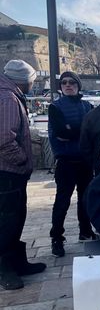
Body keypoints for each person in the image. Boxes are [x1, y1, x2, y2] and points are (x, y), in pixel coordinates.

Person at [0, 60, 46, 290]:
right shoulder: (8, 98)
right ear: (24, 80)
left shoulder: (8, 93)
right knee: (7, 221)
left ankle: (18, 262)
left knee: (16, 218)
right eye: (32, 80)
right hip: (7, 173)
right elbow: (4, 139)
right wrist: (22, 160)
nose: (33, 84)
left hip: (10, 173)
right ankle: (6, 269)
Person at [48, 71, 96, 258]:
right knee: (62, 201)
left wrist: (73, 130)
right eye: (64, 82)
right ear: (61, 86)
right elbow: (61, 133)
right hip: (66, 162)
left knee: (85, 200)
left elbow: (91, 131)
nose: (68, 85)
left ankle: (85, 231)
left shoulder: (88, 106)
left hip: (84, 161)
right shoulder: (55, 107)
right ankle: (57, 238)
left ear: (78, 85)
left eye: (72, 82)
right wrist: (82, 130)